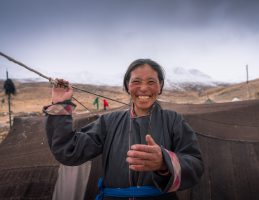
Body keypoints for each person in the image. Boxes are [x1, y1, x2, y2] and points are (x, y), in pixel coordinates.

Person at [44, 59, 204, 200]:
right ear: (127, 86)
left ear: (160, 86)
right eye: (136, 82)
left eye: (151, 82)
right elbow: (69, 151)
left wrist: (164, 162)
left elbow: (195, 164)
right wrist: (60, 104)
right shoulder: (108, 122)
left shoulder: (173, 120)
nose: (143, 88)